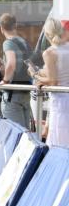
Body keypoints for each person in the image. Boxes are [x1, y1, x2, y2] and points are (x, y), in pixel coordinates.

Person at [35, 18, 69, 148]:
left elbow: (53, 81)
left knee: (58, 142)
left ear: (47, 34)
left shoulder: (49, 52)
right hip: (65, 95)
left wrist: (35, 75)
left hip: (60, 101)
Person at [0, 13, 33, 128]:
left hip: (12, 94)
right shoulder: (24, 42)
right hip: (26, 90)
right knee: (25, 132)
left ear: (2, 28)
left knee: (14, 131)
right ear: (15, 25)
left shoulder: (8, 42)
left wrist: (5, 80)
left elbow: (11, 63)